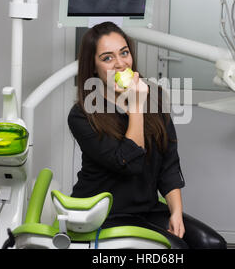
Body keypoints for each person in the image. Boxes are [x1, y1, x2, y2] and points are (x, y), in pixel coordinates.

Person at [68, 21, 226, 249]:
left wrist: (177, 213)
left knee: (213, 244)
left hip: (147, 209)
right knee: (176, 250)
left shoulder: (155, 97)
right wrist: (136, 108)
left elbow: (169, 163)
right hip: (103, 215)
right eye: (107, 58)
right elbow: (128, 163)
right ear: (93, 67)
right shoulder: (83, 115)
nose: (121, 63)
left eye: (124, 53)